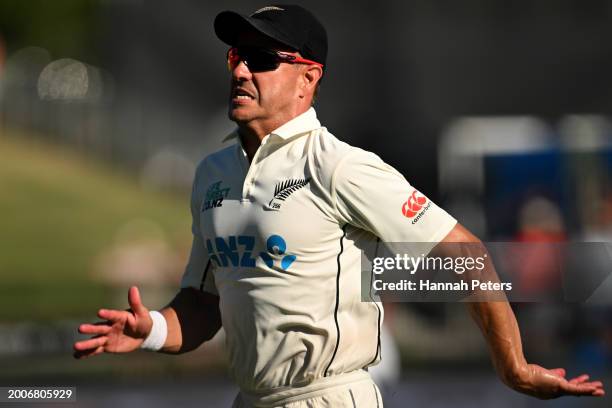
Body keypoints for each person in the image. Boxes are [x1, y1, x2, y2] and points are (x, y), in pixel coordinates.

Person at [73, 5, 605, 407]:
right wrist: (154, 332)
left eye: (260, 60)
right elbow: (205, 305)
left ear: (308, 79)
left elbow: (463, 250)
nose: (239, 71)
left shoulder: (339, 165)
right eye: (236, 56)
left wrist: (510, 364)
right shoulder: (213, 173)